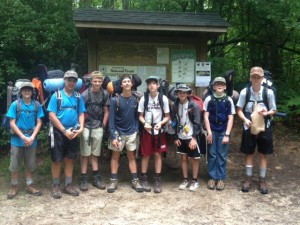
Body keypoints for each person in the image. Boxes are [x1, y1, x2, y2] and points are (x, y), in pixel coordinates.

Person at [236, 67, 276, 194]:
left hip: (265, 126)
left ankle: (262, 180)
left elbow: (274, 110)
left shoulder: (268, 93)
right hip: (249, 125)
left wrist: (266, 113)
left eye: (258, 77)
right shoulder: (245, 92)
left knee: (263, 153)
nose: (256, 79)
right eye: (254, 76)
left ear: (262, 78)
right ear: (250, 78)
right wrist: (245, 120)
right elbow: (239, 110)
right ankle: (248, 179)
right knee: (249, 153)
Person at [47, 70, 86, 199]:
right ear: (64, 80)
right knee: (57, 159)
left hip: (73, 131)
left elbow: (81, 113)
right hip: (58, 132)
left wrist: (80, 128)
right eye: (69, 80)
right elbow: (51, 115)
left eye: (74, 80)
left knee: (70, 158)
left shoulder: (78, 96)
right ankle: (56, 186)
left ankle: (68, 184)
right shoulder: (56, 96)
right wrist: (64, 130)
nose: (71, 82)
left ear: (76, 82)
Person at [6, 82, 44, 199]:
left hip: (31, 139)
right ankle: (14, 186)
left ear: (32, 92)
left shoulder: (37, 105)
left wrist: (32, 137)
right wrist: (23, 137)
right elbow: (12, 123)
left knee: (30, 164)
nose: (27, 92)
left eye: (29, 90)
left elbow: (39, 122)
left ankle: (29, 185)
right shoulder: (15, 105)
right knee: (15, 164)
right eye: (24, 90)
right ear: (21, 92)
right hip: (17, 140)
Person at [107, 74, 143, 193]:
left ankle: (135, 181)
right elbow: (111, 120)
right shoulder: (115, 100)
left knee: (131, 156)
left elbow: (137, 117)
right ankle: (113, 181)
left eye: (129, 81)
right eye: (124, 82)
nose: (127, 83)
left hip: (131, 133)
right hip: (118, 133)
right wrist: (113, 136)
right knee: (115, 156)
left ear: (132, 84)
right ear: (121, 84)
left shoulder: (136, 99)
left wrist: (136, 129)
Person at [138, 76, 170, 193]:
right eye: (149, 84)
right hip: (147, 130)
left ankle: (157, 179)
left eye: (153, 83)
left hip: (159, 130)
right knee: (146, 155)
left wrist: (160, 124)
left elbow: (167, 116)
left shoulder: (163, 98)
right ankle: (144, 178)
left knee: (157, 155)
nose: (151, 85)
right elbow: (140, 115)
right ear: (147, 86)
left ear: (158, 85)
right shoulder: (144, 98)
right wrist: (144, 123)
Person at [203, 77, 235, 191]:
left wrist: (227, 134)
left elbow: (230, 118)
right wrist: (209, 132)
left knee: (222, 154)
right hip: (212, 129)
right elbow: (206, 117)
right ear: (214, 86)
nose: (219, 86)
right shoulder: (209, 99)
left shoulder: (228, 100)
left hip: (223, 130)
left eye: (222, 84)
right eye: (217, 84)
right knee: (212, 153)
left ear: (225, 86)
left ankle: (220, 178)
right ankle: (212, 177)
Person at [79, 71, 109, 191]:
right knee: (85, 153)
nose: (97, 83)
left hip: (98, 125)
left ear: (102, 82)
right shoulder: (85, 94)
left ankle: (96, 177)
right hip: (86, 125)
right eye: (95, 81)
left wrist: (103, 124)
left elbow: (106, 110)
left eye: (99, 81)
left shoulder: (104, 94)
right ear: (91, 81)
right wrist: (81, 125)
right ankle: (83, 178)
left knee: (95, 153)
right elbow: (81, 111)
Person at [171, 84, 202, 191]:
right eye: (180, 92)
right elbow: (173, 122)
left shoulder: (194, 105)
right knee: (183, 158)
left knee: (194, 158)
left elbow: (198, 123)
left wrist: (194, 138)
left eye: (184, 92)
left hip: (191, 136)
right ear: (177, 93)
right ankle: (185, 179)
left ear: (188, 93)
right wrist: (175, 137)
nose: (182, 94)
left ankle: (194, 181)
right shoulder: (175, 105)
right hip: (181, 136)